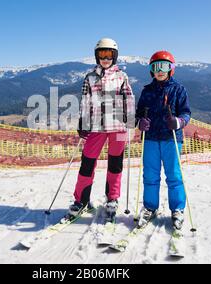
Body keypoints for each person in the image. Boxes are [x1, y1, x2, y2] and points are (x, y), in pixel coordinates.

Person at [67, 38, 135, 223]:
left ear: (115, 56)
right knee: (87, 163)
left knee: (115, 164)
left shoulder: (122, 77)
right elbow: (86, 101)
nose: (105, 58)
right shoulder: (90, 77)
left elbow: (128, 99)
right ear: (97, 56)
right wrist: (83, 121)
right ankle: (81, 200)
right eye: (102, 55)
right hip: (96, 126)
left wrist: (130, 120)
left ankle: (112, 199)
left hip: (118, 127)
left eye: (109, 55)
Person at [136, 51, 191, 230]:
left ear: (171, 69)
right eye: (155, 67)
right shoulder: (146, 91)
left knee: (174, 175)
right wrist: (140, 122)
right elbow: (138, 113)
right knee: (150, 175)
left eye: (164, 67)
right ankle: (150, 207)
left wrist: (179, 122)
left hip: (171, 138)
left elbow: (186, 112)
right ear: (151, 70)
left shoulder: (178, 89)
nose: (160, 71)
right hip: (151, 138)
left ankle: (177, 209)